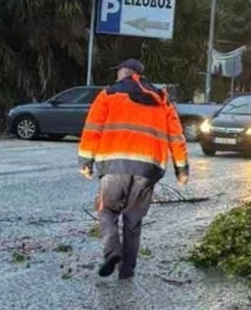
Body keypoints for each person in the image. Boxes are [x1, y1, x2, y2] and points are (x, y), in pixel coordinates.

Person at [77, 58, 189, 280]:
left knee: (107, 211)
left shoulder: (108, 94)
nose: (116, 75)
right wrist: (182, 169)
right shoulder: (162, 99)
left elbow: (92, 129)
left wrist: (85, 162)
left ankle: (112, 252)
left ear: (125, 73)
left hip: (114, 164)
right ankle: (127, 271)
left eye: (118, 72)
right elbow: (176, 137)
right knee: (133, 219)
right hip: (148, 168)